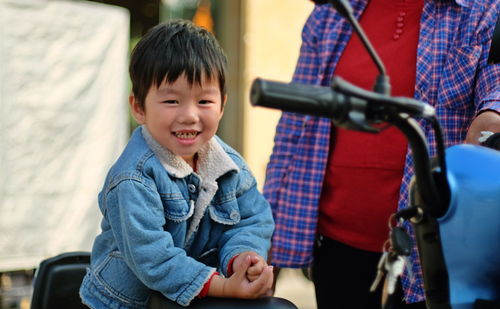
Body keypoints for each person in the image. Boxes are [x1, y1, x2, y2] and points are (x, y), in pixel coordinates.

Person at [264, 0, 500, 308]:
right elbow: (294, 130)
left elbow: (496, 86)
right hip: (338, 249)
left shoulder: (483, 10)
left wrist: (492, 115)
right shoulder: (332, 13)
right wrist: (265, 234)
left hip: (436, 253)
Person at [79, 20, 275, 308]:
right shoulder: (132, 178)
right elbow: (152, 258)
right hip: (126, 302)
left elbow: (252, 218)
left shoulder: (228, 165)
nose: (189, 115)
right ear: (139, 108)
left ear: (222, 105)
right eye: (172, 101)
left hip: (191, 297)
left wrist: (242, 257)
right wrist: (222, 285)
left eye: (204, 101)